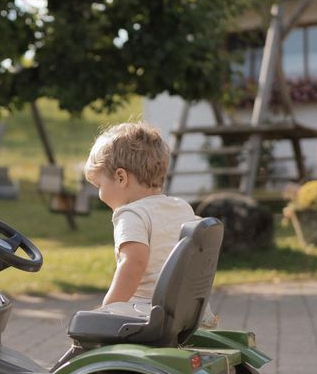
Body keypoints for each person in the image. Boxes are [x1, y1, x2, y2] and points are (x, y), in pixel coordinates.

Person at [83, 121, 219, 326]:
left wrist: (108, 307)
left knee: (85, 330)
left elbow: (134, 263)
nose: (99, 194)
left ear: (121, 177)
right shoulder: (182, 207)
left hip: (149, 313)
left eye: (99, 185)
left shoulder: (131, 214)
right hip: (191, 312)